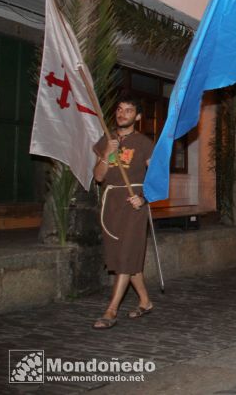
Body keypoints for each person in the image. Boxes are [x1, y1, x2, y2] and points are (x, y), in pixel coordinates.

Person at [92, 96, 154, 329]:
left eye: (129, 110)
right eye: (119, 109)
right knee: (125, 257)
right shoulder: (105, 141)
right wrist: (108, 153)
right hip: (111, 203)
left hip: (134, 204)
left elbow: (158, 176)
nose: (122, 114)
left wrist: (145, 197)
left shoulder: (145, 143)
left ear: (137, 117)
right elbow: (98, 176)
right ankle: (145, 302)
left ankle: (111, 311)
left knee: (127, 255)